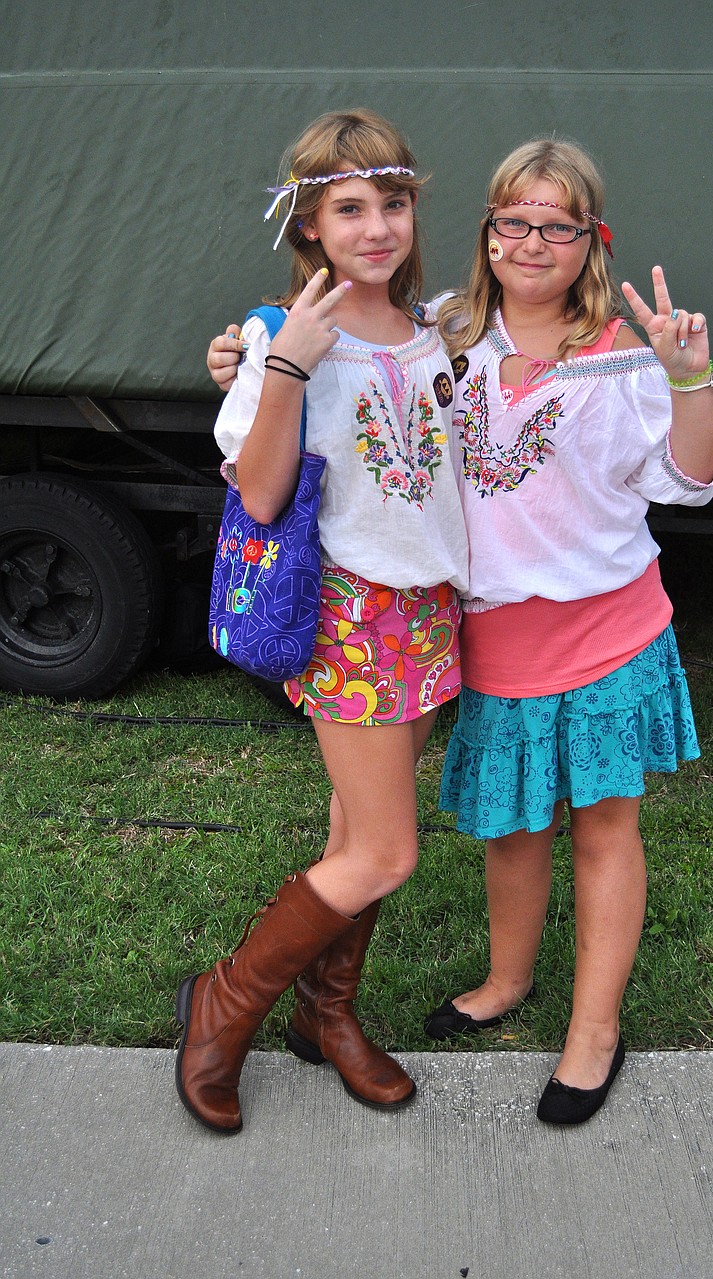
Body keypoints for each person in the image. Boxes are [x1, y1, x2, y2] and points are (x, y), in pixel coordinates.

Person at [206, 136, 713, 1127]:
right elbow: (342, 357)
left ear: (590, 239)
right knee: (513, 823)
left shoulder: (624, 356)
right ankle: (505, 981)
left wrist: (691, 380)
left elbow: (692, 479)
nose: (532, 243)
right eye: (512, 222)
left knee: (603, 828)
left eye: (556, 226)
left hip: (609, 631)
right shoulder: (445, 334)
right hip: (488, 639)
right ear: (487, 235)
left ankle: (592, 1034)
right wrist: (244, 349)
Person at [176, 108, 469, 1134]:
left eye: (391, 203)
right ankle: (223, 1006)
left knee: (357, 826)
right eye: (348, 208)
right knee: (386, 851)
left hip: (430, 608)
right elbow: (257, 498)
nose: (376, 226)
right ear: (308, 225)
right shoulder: (278, 337)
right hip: (350, 611)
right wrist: (285, 364)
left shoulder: (441, 326)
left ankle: (324, 1015)